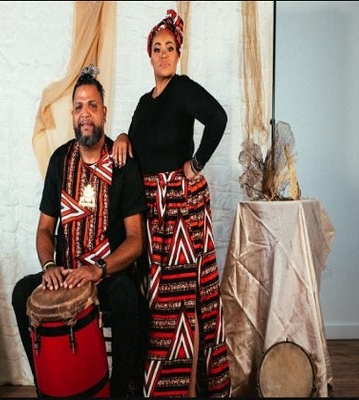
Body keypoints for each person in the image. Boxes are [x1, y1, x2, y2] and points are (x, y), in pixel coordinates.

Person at [112, 9, 231, 398]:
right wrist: (123, 137)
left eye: (170, 48)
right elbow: (135, 140)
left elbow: (218, 118)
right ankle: (158, 386)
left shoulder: (182, 89)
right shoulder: (144, 102)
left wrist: (195, 164)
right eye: (157, 48)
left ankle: (189, 389)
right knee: (156, 302)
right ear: (149, 55)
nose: (163, 54)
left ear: (178, 54)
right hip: (150, 212)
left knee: (184, 301)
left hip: (181, 208)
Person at [12, 65, 147, 398]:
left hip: (107, 275)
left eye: (92, 105)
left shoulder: (123, 163)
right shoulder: (60, 160)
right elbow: (45, 229)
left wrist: (99, 269)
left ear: (104, 112)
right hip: (67, 273)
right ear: (72, 115)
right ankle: (46, 388)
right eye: (78, 106)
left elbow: (135, 241)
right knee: (21, 293)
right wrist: (49, 266)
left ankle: (117, 392)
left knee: (128, 297)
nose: (85, 113)